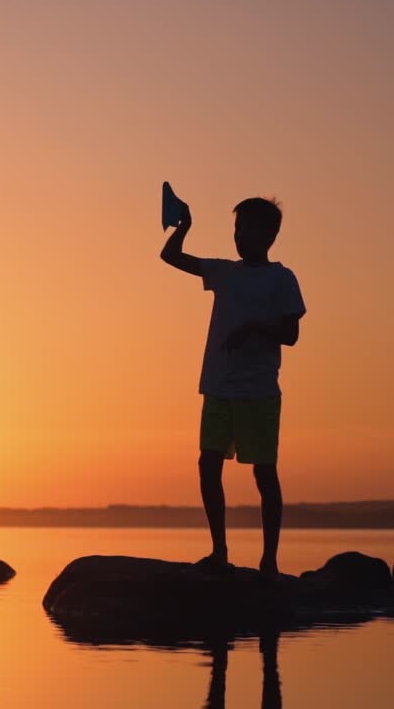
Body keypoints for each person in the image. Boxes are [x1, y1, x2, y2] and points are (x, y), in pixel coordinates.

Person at [160, 196, 306, 576]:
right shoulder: (225, 272)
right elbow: (171, 257)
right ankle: (219, 551)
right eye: (237, 230)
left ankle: (269, 560)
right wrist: (183, 227)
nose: (241, 237)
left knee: (264, 473)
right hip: (218, 388)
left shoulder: (282, 279)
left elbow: (291, 334)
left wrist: (254, 327)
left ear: (271, 234)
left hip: (258, 392)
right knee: (208, 465)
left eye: (249, 229)